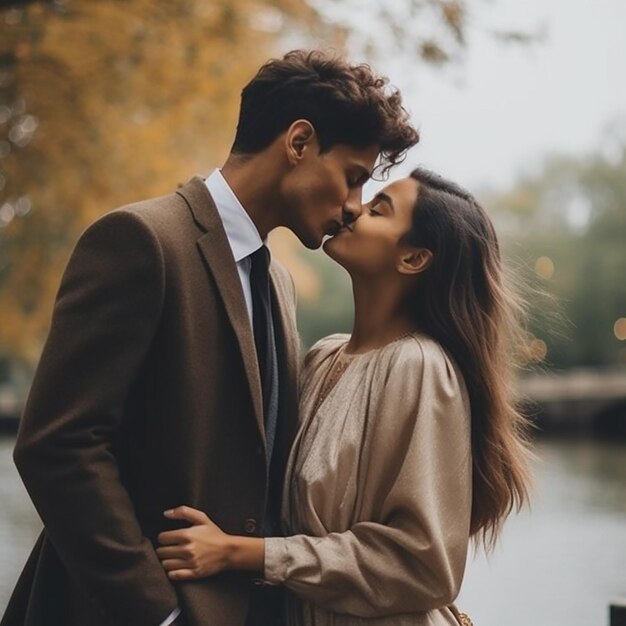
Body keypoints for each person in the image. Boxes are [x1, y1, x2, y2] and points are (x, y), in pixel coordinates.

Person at [1, 50, 418, 626]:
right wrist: (161, 614)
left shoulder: (277, 282)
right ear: (298, 143)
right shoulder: (140, 241)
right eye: (352, 177)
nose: (352, 207)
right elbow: (57, 446)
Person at [154, 168, 534, 626]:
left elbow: (424, 565)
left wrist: (241, 553)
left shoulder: (420, 367)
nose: (354, 209)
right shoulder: (322, 358)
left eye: (379, 210)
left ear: (413, 258)